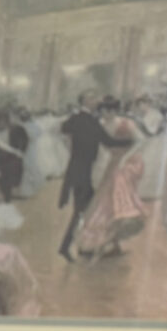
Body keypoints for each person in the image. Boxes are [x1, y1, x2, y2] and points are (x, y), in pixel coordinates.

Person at [71, 97, 147, 259]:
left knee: (113, 202)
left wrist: (126, 157)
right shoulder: (102, 125)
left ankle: (111, 242)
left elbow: (140, 141)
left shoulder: (126, 124)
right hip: (111, 164)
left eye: (106, 111)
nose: (104, 114)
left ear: (113, 110)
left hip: (124, 166)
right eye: (102, 111)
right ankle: (104, 243)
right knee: (104, 203)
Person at [58, 91, 126, 261]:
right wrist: (132, 142)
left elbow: (62, 130)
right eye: (93, 97)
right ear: (86, 101)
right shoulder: (88, 120)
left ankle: (85, 246)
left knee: (90, 211)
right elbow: (109, 141)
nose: (97, 99)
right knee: (82, 212)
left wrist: (71, 149)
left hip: (80, 171)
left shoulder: (77, 119)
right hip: (83, 173)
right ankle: (68, 247)